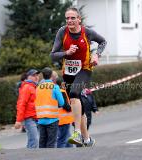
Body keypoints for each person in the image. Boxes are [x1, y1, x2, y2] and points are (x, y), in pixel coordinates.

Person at [50, 7, 107, 146]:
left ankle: (76, 133)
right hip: (68, 72)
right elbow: (53, 55)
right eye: (67, 18)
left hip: (84, 69)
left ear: (79, 20)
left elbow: (103, 42)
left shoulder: (87, 32)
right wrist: (66, 53)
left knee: (75, 94)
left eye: (72, 18)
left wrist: (96, 55)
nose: (69, 21)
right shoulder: (62, 32)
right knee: (77, 104)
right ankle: (87, 139)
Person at [35, 67, 64, 148]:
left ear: (43, 76)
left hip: (40, 120)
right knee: (51, 143)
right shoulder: (55, 87)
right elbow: (62, 103)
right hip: (52, 119)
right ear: (51, 75)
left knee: (42, 143)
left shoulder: (37, 88)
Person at [14, 69, 40, 149]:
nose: (36, 77)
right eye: (33, 75)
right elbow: (21, 104)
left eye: (37, 75)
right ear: (28, 77)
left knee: (32, 141)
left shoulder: (34, 87)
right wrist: (18, 120)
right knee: (34, 140)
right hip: (29, 118)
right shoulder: (27, 87)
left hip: (35, 118)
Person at [56, 78, 74, 148]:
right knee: (62, 140)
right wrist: (72, 107)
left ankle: (70, 151)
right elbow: (66, 106)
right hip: (64, 119)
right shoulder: (62, 91)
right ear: (62, 84)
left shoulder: (55, 91)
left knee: (67, 137)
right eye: (64, 84)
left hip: (59, 119)